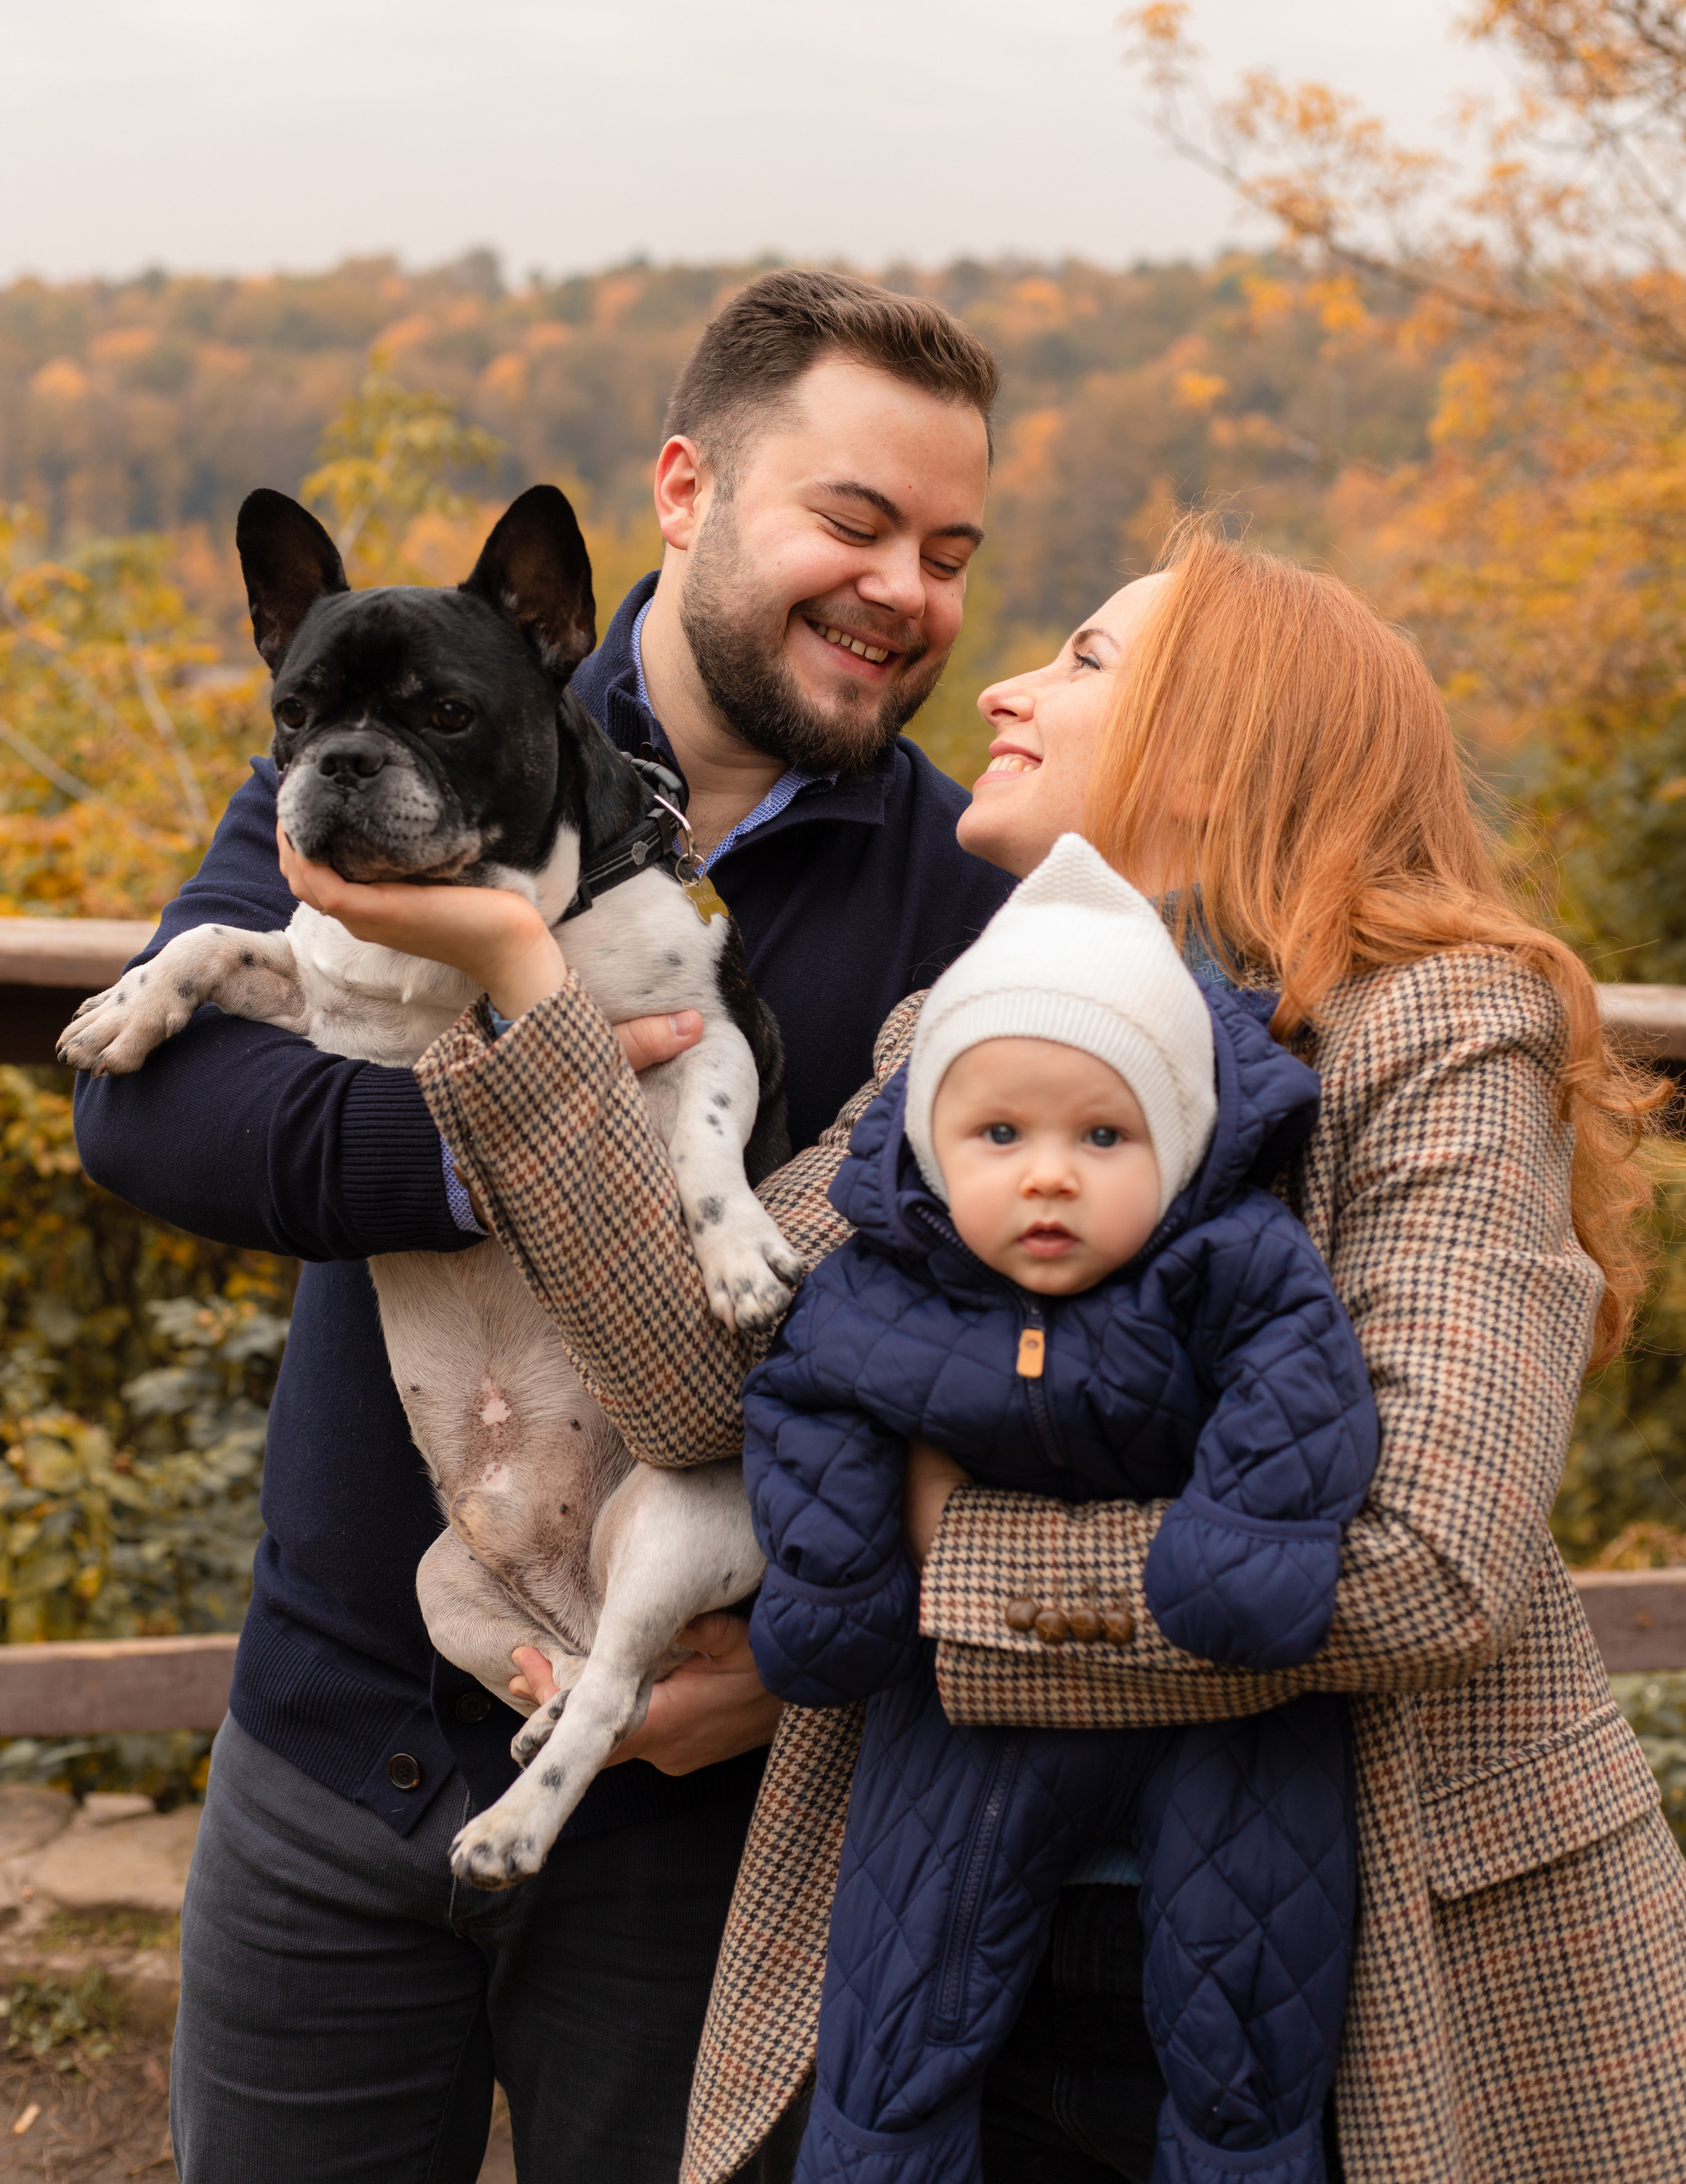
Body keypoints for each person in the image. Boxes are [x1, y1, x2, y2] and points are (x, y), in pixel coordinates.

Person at [319, 518, 1686, 2184]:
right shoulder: (955, 1030)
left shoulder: (1441, 1026)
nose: (1003, 687)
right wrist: (522, 980)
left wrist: (923, 1560)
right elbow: (695, 1390)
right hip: (948, 1909)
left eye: (1085, 659)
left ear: (1226, 740)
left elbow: (1422, 1566)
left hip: (1354, 1961)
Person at [71, 268, 1016, 2184]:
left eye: (946, 553)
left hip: (710, 1803)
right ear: (683, 491)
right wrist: (503, 1137)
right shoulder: (401, 716)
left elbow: (992, 1344)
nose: (901, 591)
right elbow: (153, 1109)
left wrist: (819, 1645)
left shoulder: (964, 889)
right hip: (338, 1723)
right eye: (852, 522)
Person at [740, 834, 1378, 2184]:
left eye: (1104, 1136)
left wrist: (1242, 1552)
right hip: (965, 1717)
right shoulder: (881, 1286)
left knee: (1246, 2022)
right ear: (931, 1146)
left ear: (1181, 1143)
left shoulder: (1231, 1262)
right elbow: (802, 1402)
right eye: (999, 1136)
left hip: (1226, 1718)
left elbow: (1299, 1388)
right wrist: (836, 1583)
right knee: (898, 2014)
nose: (1048, 1175)